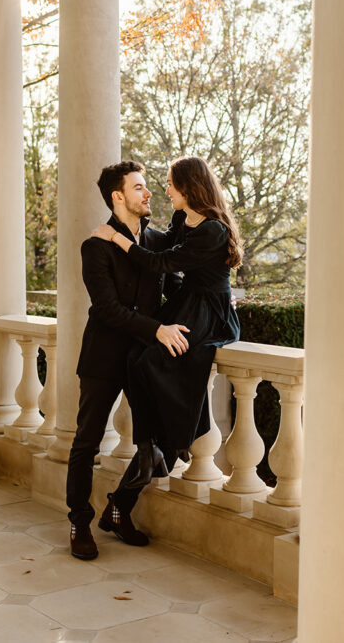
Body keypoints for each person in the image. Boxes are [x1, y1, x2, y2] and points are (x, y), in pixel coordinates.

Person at [91, 156, 242, 519]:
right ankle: (148, 452)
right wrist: (127, 226)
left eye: (171, 184)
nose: (166, 190)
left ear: (189, 187)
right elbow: (160, 246)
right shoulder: (182, 219)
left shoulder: (213, 230)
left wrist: (115, 237)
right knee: (135, 360)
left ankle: (132, 487)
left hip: (207, 313)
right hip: (184, 304)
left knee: (160, 376)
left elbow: (161, 263)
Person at [67, 160, 190, 561]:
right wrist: (155, 329)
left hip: (145, 361)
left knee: (158, 442)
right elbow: (106, 308)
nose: (148, 193)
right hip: (104, 357)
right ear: (118, 196)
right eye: (139, 187)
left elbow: (176, 291)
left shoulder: (156, 244)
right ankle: (79, 522)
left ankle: (119, 507)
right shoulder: (95, 245)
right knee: (87, 441)